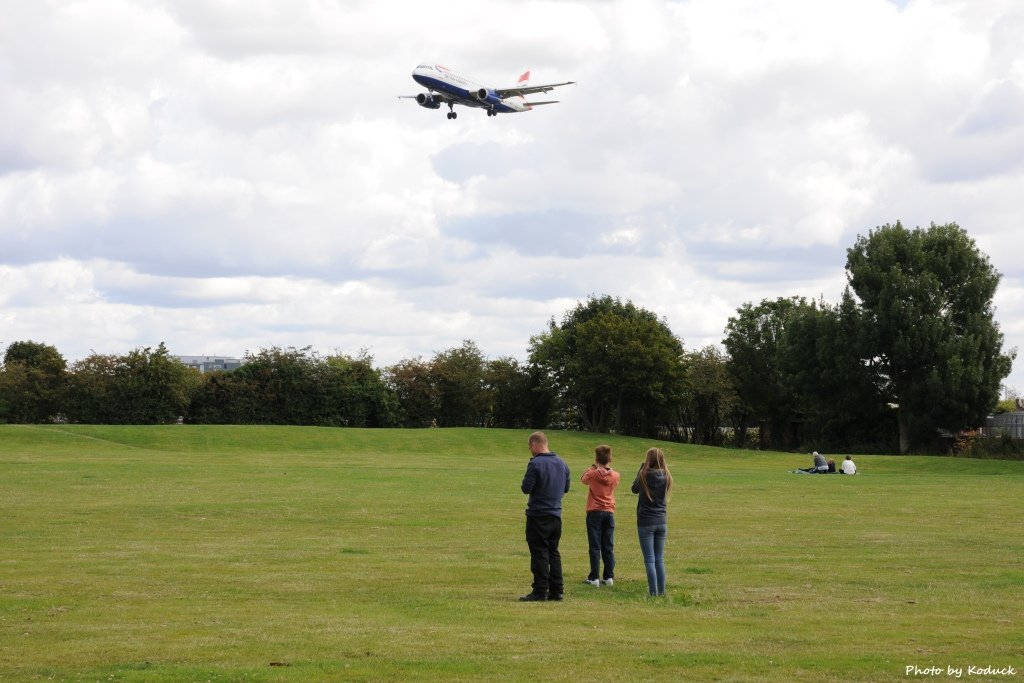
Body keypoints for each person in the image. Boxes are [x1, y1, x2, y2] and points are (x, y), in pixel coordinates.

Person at [519, 431, 571, 602]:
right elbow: (566, 488)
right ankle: (557, 590)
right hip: (556, 515)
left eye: (529, 448)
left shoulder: (536, 464)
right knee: (553, 552)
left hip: (538, 515)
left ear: (534, 445)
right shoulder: (563, 464)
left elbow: (526, 488)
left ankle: (540, 590)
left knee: (539, 552)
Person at [631, 447, 673, 597]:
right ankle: (661, 591)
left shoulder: (644, 475)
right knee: (659, 558)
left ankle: (653, 592)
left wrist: (641, 468)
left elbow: (634, 489)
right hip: (661, 520)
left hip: (646, 521)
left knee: (649, 559)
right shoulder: (666, 475)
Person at [580, 445, 620, 587]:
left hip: (594, 511)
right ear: (610, 458)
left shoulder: (593, 474)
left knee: (595, 545)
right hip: (609, 511)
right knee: (608, 545)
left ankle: (594, 577)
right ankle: (609, 576)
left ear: (597, 459)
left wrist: (593, 467)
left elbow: (583, 479)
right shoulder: (615, 475)